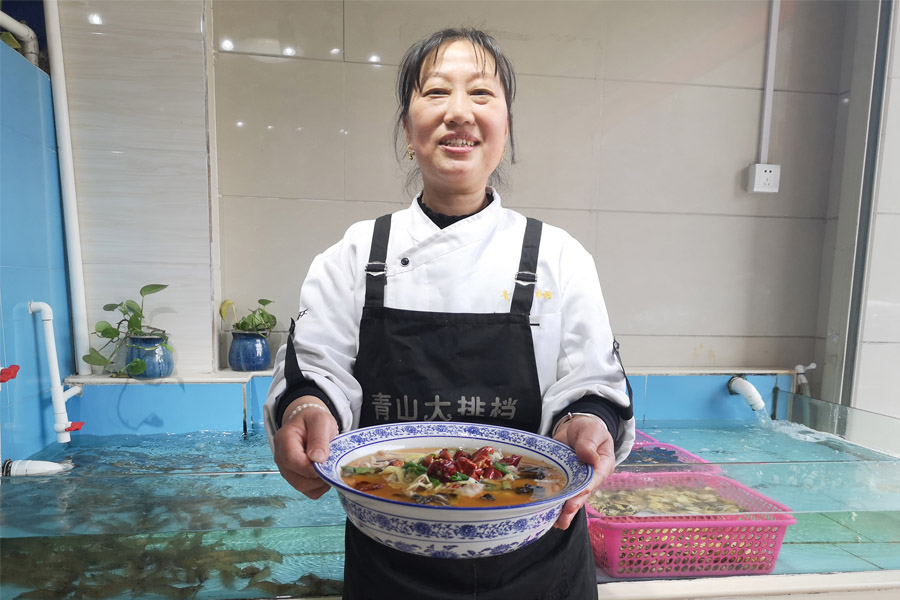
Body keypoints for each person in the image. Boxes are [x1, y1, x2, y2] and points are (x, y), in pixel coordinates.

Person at [264, 27, 635, 600]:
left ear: (505, 127)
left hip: (539, 560)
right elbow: (314, 370)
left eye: (481, 94)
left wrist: (585, 425)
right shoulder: (355, 254)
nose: (459, 111)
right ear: (407, 129)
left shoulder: (558, 256)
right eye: (436, 92)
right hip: (390, 559)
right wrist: (307, 411)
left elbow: (593, 381)